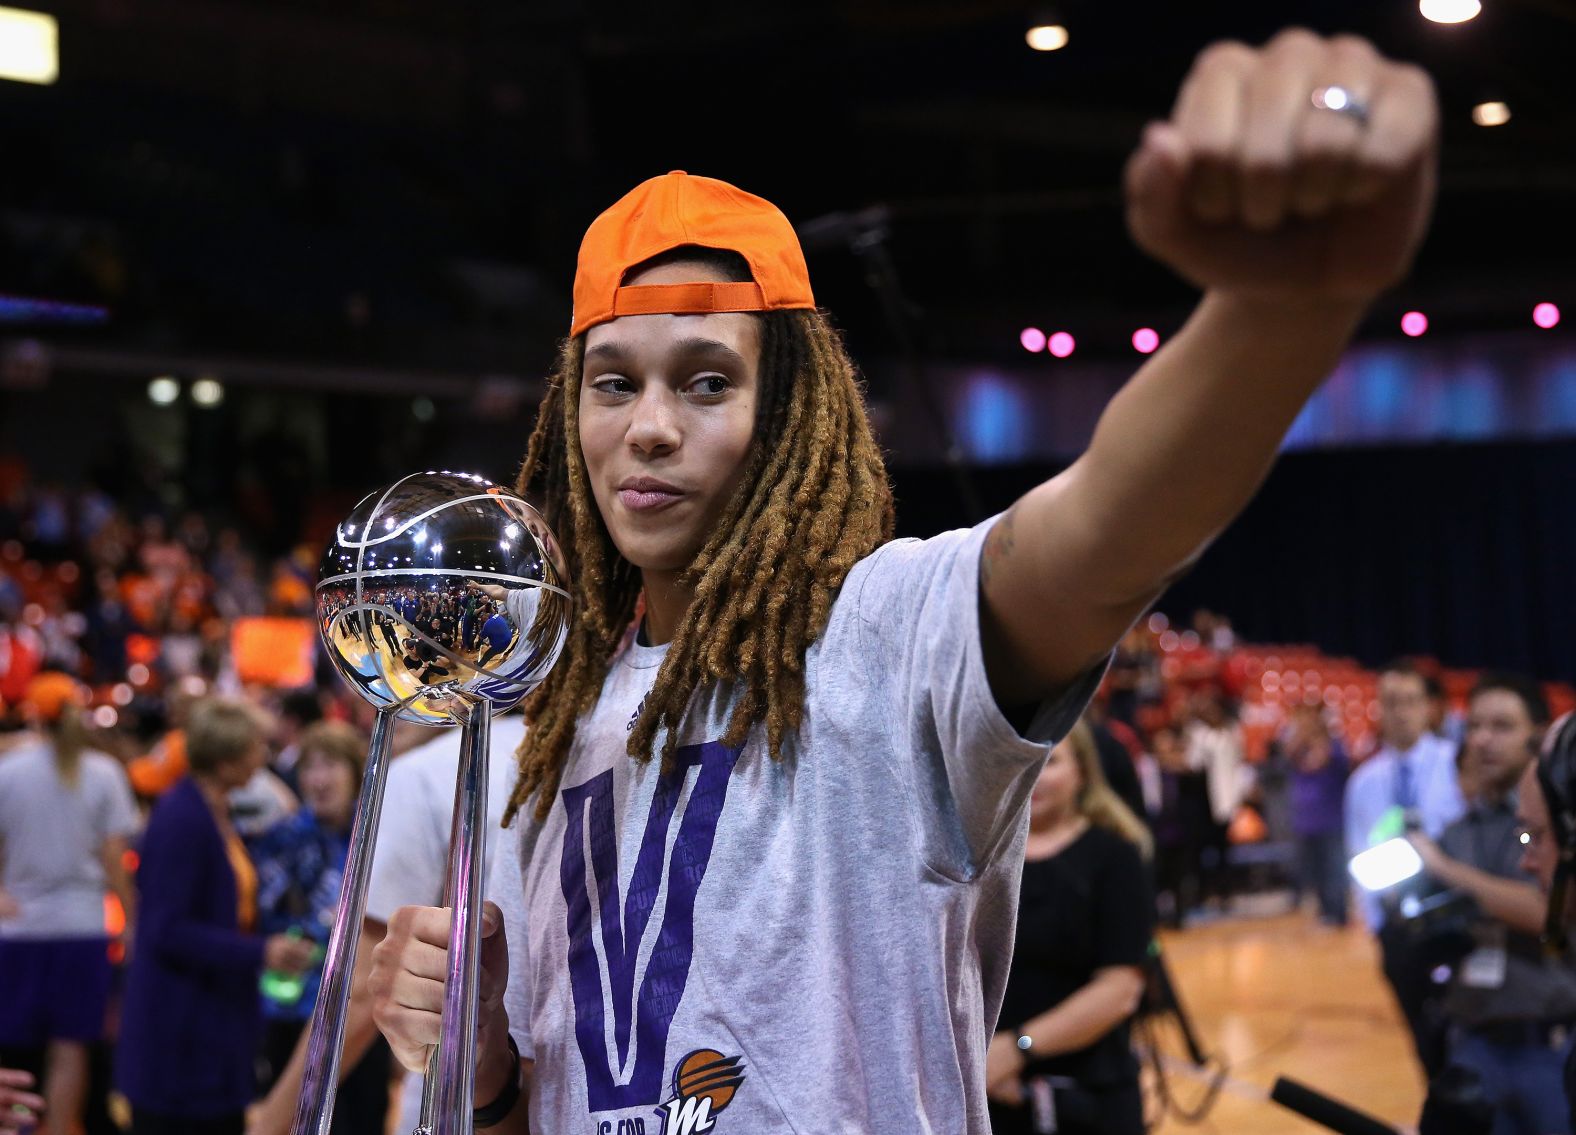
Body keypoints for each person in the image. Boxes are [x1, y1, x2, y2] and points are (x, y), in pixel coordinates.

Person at [369, 31, 1441, 1134]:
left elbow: (1116, 524)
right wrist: (486, 1063)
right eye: (612, 383)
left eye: (704, 382)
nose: (647, 428)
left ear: (786, 409)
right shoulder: (539, 742)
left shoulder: (887, 630)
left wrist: (1279, 312)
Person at [245, 714, 524, 1135]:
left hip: (461, 1089)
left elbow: (357, 989)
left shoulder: (418, 776)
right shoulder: (567, 745)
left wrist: (272, 1121)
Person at [116, 698, 316, 1135]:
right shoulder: (181, 818)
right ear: (226, 757)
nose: (262, 757)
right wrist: (262, 951)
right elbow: (166, 930)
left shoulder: (213, 810)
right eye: (254, 747)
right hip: (178, 1031)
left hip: (211, 1020)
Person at [1406, 676, 1574, 1135]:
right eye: (1474, 726)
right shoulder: (1456, 831)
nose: (1482, 739)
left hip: (1551, 1043)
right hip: (1474, 1040)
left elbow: (1549, 910)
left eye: (1502, 726)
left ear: (1538, 735)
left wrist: (1444, 870)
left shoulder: (1562, 825)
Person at [986, 721, 1154, 1134]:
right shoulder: (983, 860)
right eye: (1024, 763)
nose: (1035, 776)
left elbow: (1119, 990)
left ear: (1082, 771)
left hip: (1089, 1096)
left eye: (1051, 762)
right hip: (991, 1090)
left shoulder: (1115, 856)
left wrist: (1018, 1048)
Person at [0, 673, 139, 1135]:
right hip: (82, 926)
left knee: (16, 1052)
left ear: (33, 714)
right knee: (71, 1046)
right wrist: (132, 918)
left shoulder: (9, 772)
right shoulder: (104, 773)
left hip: (18, 930)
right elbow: (114, 859)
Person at [249, 722, 389, 1135]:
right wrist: (275, 945)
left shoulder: (379, 836)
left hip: (362, 1015)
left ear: (354, 771)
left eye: (329, 765)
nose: (318, 778)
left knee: (363, 1120)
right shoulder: (281, 838)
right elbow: (258, 915)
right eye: (309, 767)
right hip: (294, 1011)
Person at [1345, 660, 1467, 1074]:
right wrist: (1378, 925)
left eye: (1410, 701)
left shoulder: (1456, 765)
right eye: (1391, 702)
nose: (1400, 711)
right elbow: (1356, 853)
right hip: (1399, 927)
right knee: (1422, 1036)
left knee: (1461, 1031)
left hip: (1454, 918)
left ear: (1428, 707)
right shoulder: (1364, 781)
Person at [1284, 706, 1350, 926]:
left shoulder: (1335, 745)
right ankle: (1324, 911)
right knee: (1315, 871)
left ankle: (1338, 912)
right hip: (1306, 821)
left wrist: (1318, 740)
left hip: (1331, 820)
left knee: (1334, 870)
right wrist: (1300, 738)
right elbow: (1287, 755)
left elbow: (1323, 761)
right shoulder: (1297, 747)